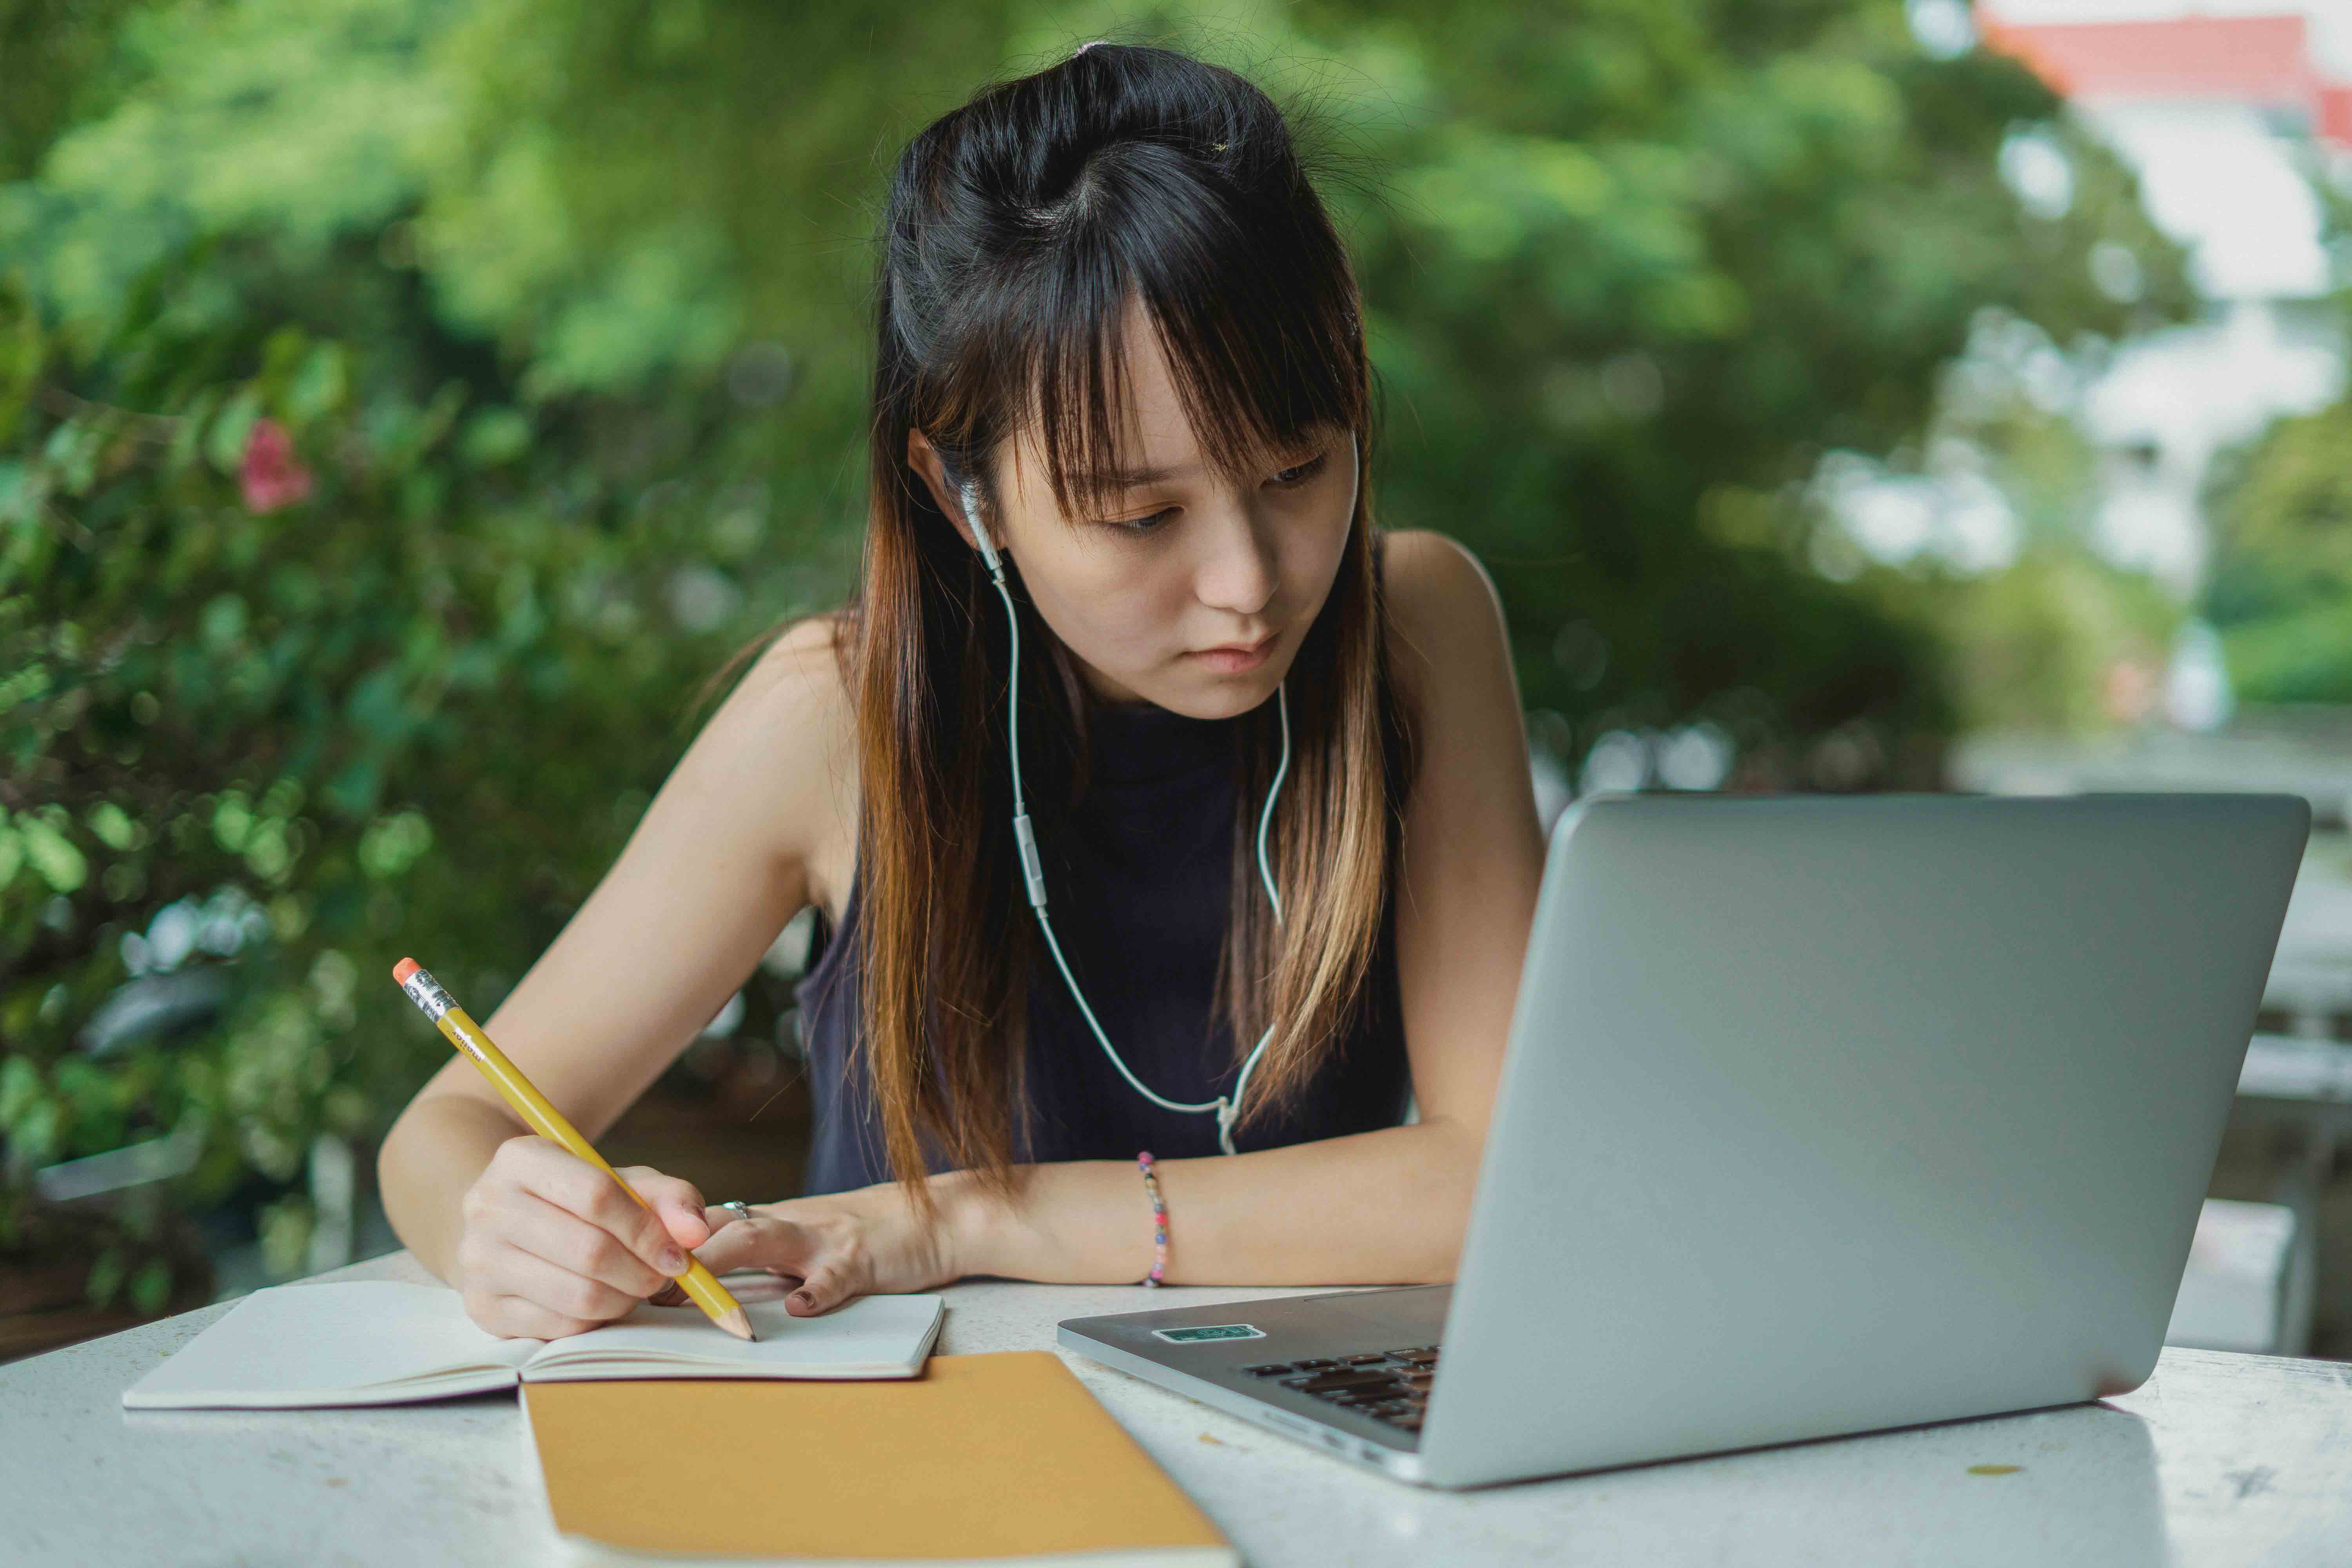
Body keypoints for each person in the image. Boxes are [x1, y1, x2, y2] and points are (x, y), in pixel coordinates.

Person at [377, 40, 1545, 1342]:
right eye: (1143, 514)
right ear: (963, 493)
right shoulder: (838, 714)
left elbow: (1499, 1179)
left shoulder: (1416, 630)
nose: (1247, 583)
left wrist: (965, 1217)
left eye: (1297, 472)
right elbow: (445, 1131)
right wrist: (517, 1229)